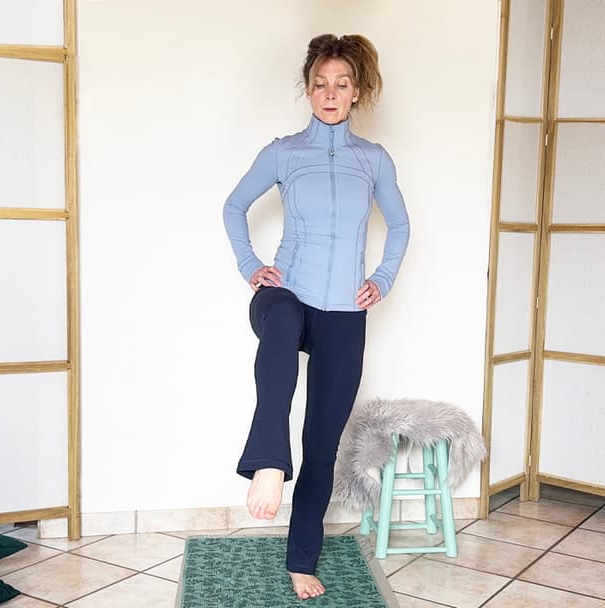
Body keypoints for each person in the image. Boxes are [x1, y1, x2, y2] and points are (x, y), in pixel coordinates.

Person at [222, 33, 410, 600]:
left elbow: (400, 225)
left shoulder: (373, 160)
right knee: (280, 321)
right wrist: (252, 266)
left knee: (323, 443)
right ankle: (268, 463)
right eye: (321, 84)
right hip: (287, 295)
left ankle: (301, 559)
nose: (330, 93)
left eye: (341, 84)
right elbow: (234, 206)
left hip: (343, 312)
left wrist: (381, 279)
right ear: (308, 90)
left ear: (357, 92)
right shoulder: (283, 152)